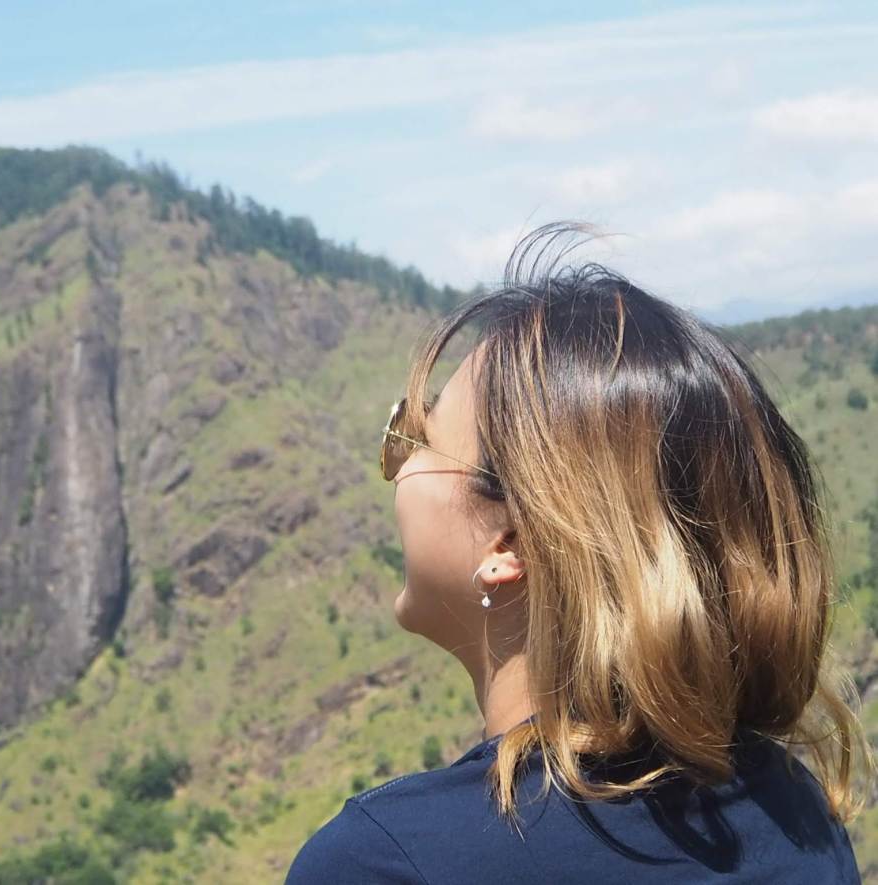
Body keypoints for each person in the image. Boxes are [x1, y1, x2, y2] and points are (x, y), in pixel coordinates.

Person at [285, 222, 874, 884]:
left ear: (509, 541)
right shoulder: (793, 810)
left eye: (416, 438)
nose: (395, 467)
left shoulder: (387, 863)